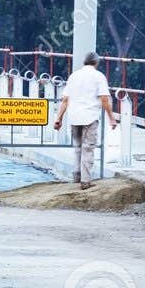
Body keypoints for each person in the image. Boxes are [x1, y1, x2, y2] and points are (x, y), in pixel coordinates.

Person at [52, 53, 118, 189]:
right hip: (90, 117)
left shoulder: (73, 76)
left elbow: (65, 100)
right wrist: (111, 118)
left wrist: (58, 118)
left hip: (74, 117)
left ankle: (76, 177)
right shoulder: (99, 76)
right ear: (96, 63)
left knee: (77, 148)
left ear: (84, 62)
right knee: (88, 149)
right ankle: (86, 181)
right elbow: (104, 99)